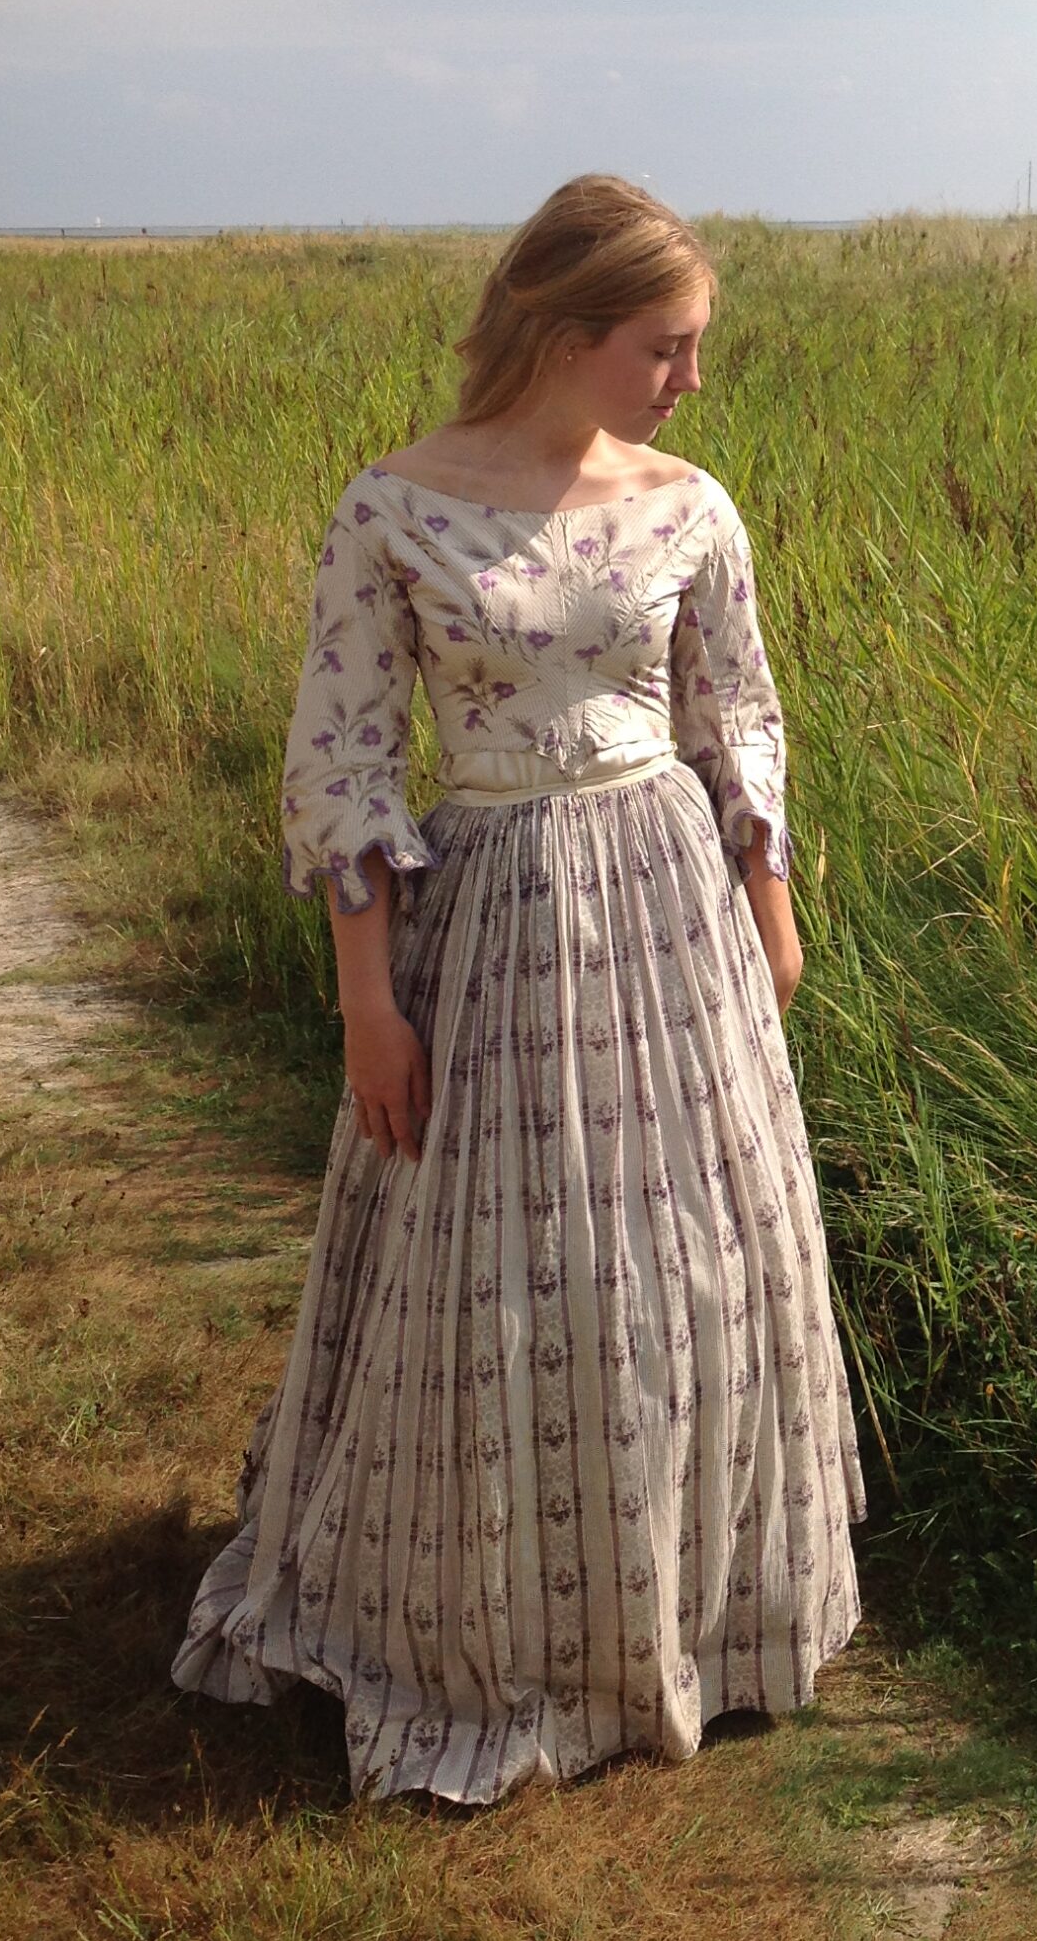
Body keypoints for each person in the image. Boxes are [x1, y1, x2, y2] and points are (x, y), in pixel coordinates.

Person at [170, 173, 866, 1806]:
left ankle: (699, 1613)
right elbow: (341, 762)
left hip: (673, 914)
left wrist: (771, 898)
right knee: (499, 1275)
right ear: (563, 332)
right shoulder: (395, 505)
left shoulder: (691, 502)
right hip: (487, 920)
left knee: (693, 1254)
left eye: (694, 348)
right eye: (664, 346)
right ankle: (491, 1635)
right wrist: (367, 997)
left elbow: (735, 716)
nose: (691, 379)